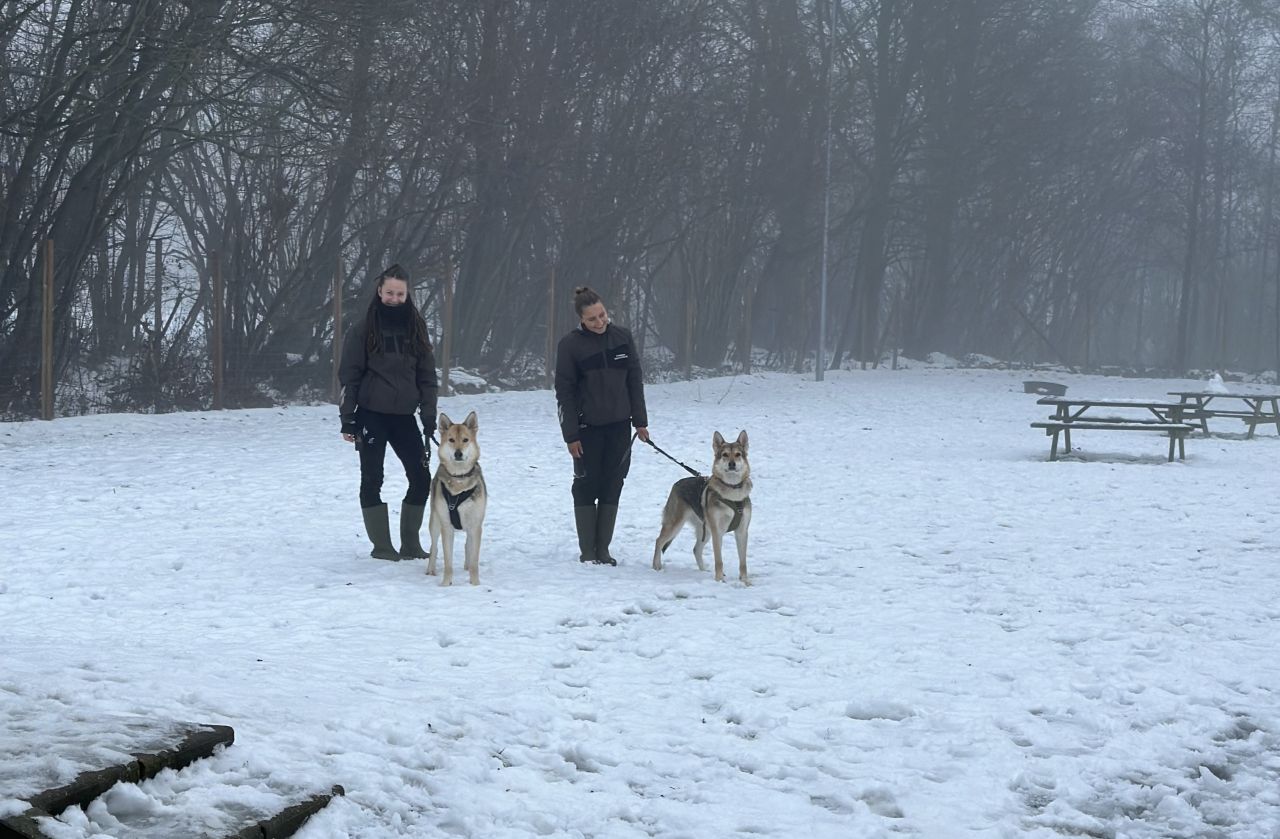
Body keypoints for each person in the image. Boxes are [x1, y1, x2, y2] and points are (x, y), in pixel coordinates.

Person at [339, 263, 438, 561]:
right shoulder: (362, 329)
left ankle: (410, 544)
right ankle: (382, 546)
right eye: (390, 292)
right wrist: (348, 418)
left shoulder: (417, 329)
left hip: (404, 417)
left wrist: (429, 415)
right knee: (372, 479)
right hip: (371, 415)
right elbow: (349, 375)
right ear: (379, 291)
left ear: (408, 295)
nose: (395, 298)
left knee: (421, 478)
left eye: (401, 293)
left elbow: (427, 376)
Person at [554, 285, 649, 565]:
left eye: (603, 315)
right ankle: (588, 550)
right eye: (592, 318)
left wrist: (640, 421)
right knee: (586, 485)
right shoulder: (570, 345)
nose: (600, 322)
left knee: (613, 483)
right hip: (586, 429)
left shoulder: (622, 338)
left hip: (619, 426)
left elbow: (634, 380)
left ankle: (603, 549)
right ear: (581, 320)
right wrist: (570, 435)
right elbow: (565, 393)